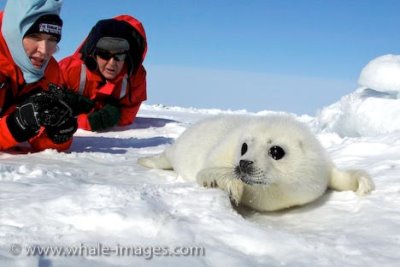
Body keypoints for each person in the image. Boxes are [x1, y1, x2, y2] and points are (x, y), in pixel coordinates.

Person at [0, 0, 90, 152]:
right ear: (14, 33)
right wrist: (14, 126)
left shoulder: (49, 71)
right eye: (35, 36)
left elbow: (38, 141)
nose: (44, 50)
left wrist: (58, 135)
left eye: (52, 39)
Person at [59, 15, 147, 132]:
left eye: (119, 55)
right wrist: (89, 119)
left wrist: (112, 115)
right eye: (105, 54)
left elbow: (128, 114)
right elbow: (46, 109)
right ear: (94, 53)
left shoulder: (135, 77)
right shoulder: (68, 69)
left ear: (127, 57)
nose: (112, 63)